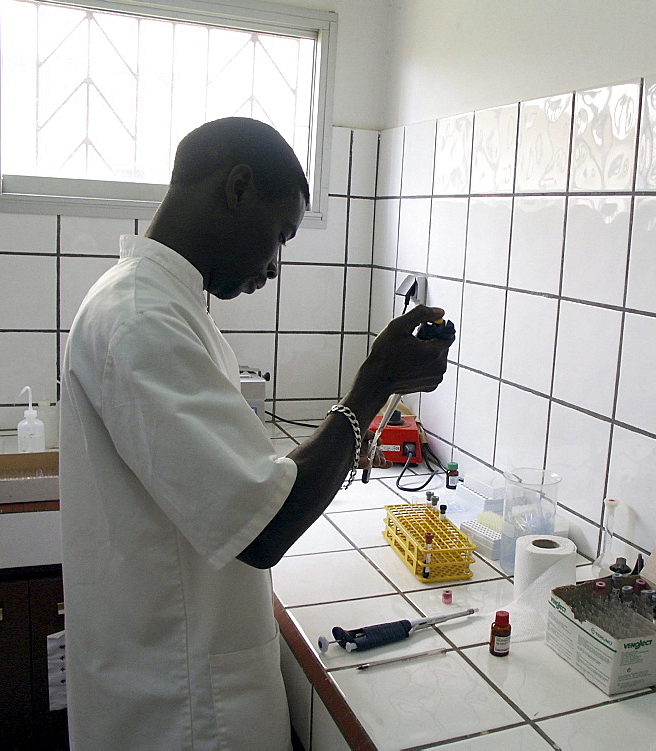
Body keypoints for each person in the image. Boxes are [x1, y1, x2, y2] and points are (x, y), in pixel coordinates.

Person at [59, 117, 452, 750]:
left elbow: (241, 480)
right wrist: (374, 385)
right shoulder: (144, 320)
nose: (274, 265)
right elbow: (263, 529)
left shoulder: (157, 302)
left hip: (178, 665)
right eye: (280, 234)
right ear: (238, 189)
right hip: (183, 709)